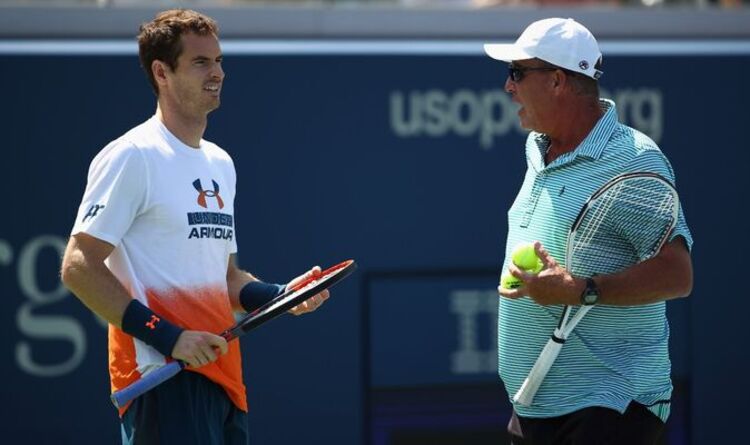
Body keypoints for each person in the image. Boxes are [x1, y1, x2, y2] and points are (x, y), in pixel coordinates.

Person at [60, 9, 329, 444]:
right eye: (201, 62)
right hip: (162, 379)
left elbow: (224, 280)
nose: (218, 72)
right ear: (161, 72)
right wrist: (169, 338)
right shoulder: (133, 156)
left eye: (219, 61)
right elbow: (77, 266)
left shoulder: (221, 163)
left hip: (224, 380)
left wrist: (282, 295)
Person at [485, 18, 693, 444]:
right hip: (535, 405)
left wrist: (580, 289)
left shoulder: (634, 162)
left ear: (558, 80)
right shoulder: (538, 149)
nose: (508, 86)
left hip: (609, 406)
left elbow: (677, 274)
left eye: (518, 73)